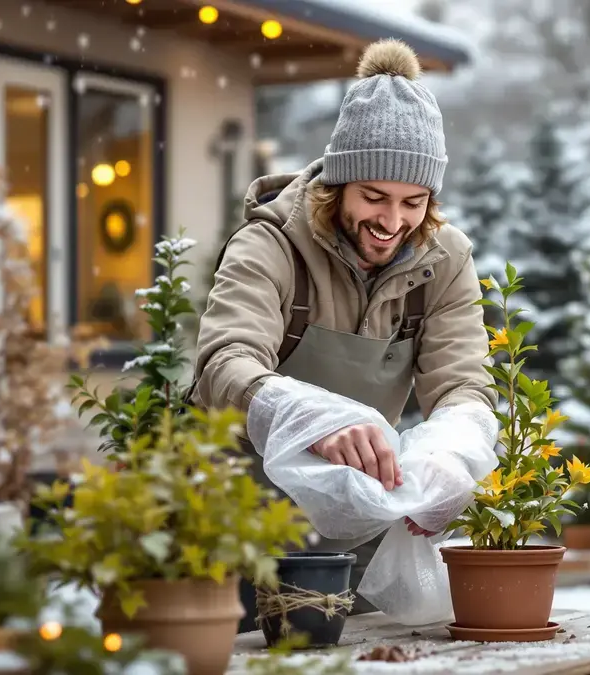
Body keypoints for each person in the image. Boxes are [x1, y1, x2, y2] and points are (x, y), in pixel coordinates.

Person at [190, 38, 495, 627]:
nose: (391, 222)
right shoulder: (272, 244)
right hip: (240, 519)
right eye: (374, 197)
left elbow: (463, 384)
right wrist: (314, 418)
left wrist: (448, 453)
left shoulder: (445, 259)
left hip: (353, 528)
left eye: (414, 202)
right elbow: (225, 362)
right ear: (337, 186)